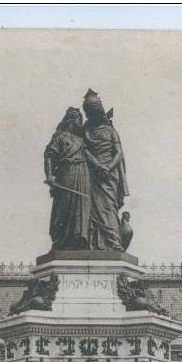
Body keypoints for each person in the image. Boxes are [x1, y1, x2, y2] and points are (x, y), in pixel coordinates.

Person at [82, 89, 129, 251]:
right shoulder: (85, 131)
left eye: (95, 111)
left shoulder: (111, 131)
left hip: (109, 175)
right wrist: (97, 165)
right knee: (92, 209)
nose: (92, 115)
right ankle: (94, 243)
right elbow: (83, 150)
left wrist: (108, 167)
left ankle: (114, 242)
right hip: (92, 174)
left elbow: (119, 153)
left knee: (109, 207)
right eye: (90, 112)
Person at [43, 107, 92, 251]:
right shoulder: (59, 136)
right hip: (66, 174)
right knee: (64, 206)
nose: (80, 123)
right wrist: (49, 176)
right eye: (79, 120)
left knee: (81, 206)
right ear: (72, 119)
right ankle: (62, 241)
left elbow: (90, 156)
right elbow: (48, 157)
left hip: (83, 174)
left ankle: (80, 239)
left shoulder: (81, 140)